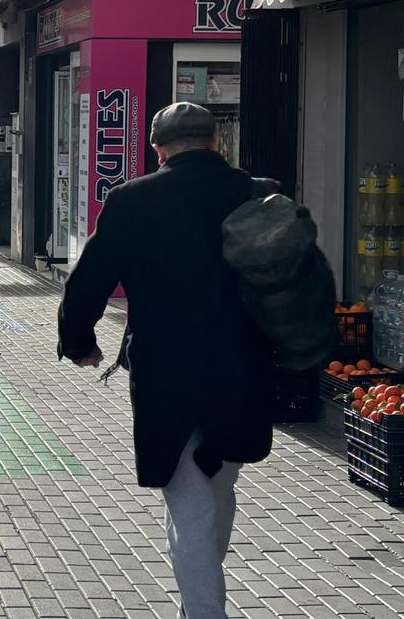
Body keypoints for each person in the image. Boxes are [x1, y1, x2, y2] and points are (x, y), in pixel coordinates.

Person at [57, 102, 274, 619]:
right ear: (215, 142)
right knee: (216, 492)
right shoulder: (255, 194)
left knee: (192, 505)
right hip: (242, 371)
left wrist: (80, 341)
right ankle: (200, 606)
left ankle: (202, 611)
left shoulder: (133, 199)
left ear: (157, 148)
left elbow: (89, 278)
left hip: (166, 374)